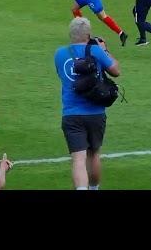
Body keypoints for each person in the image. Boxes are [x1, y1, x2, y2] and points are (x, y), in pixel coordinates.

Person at [54, 17, 121, 190]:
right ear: (88, 35)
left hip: (71, 114)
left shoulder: (60, 54)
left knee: (78, 159)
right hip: (95, 112)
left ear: (71, 35)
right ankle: (94, 189)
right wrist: (104, 50)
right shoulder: (95, 51)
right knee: (94, 154)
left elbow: (62, 76)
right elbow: (116, 71)